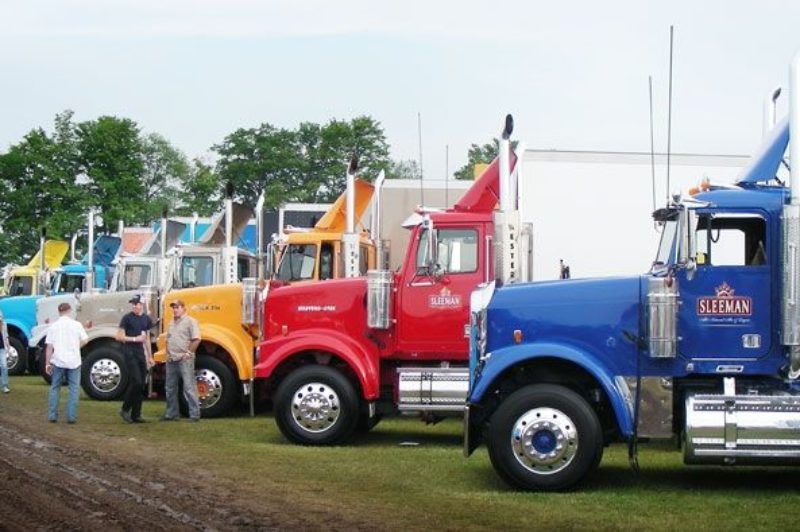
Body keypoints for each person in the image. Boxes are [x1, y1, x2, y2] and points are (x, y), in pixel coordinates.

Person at [45, 302, 88, 423]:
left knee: (55, 387)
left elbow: (49, 347)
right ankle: (71, 416)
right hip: (74, 360)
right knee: (74, 389)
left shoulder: (53, 326)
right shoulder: (76, 325)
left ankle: (52, 415)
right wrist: (76, 347)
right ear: (69, 311)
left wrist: (47, 363)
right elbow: (85, 340)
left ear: (59, 312)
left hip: (58, 360)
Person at [116, 294, 155, 423]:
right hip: (129, 352)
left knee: (141, 383)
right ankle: (125, 409)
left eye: (136, 304)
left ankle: (136, 414)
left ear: (141, 304)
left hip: (140, 353)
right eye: (133, 304)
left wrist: (150, 356)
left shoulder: (146, 319)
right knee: (136, 381)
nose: (134, 306)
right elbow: (119, 336)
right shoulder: (127, 318)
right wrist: (134, 339)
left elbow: (147, 339)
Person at [161, 299, 201, 422]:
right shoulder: (171, 323)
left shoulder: (191, 321)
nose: (175, 310)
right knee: (170, 387)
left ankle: (194, 414)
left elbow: (196, 339)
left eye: (177, 307)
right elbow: (168, 339)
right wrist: (167, 353)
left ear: (183, 308)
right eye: (173, 307)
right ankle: (172, 413)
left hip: (185, 359)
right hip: (171, 359)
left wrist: (188, 353)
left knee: (189, 387)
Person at [0, 310, 11, 393]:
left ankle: (5, 385)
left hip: (2, 348)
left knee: (4, 366)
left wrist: (8, 344)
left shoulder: (4, 324)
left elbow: (6, 335)